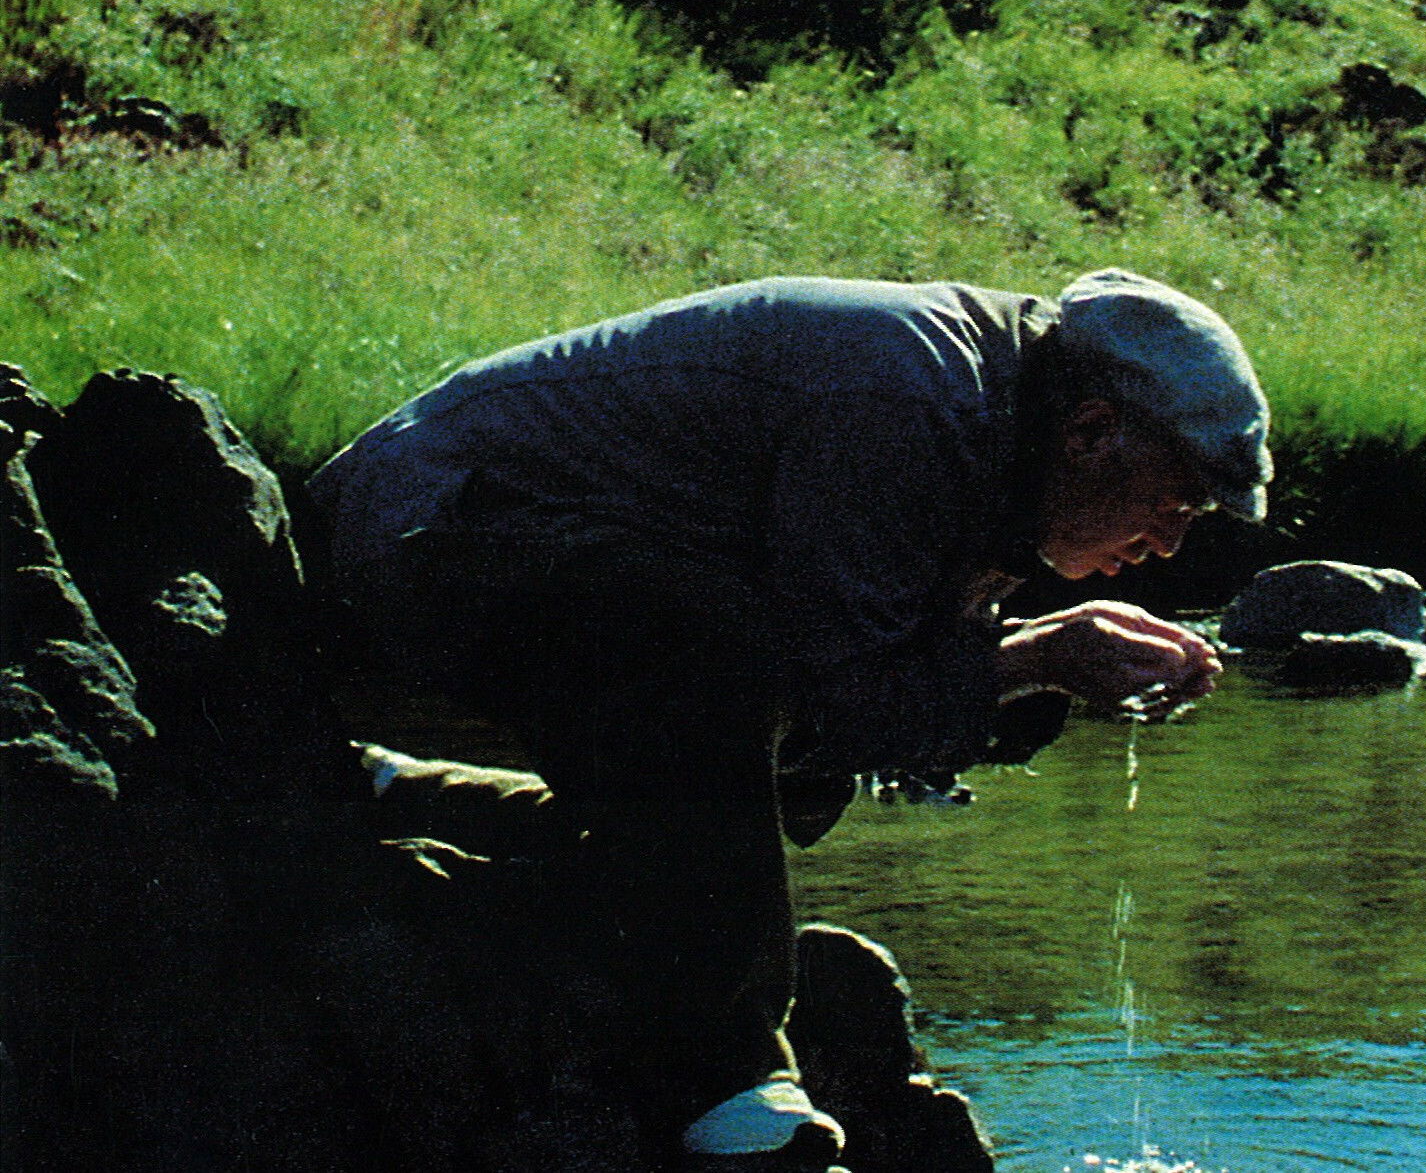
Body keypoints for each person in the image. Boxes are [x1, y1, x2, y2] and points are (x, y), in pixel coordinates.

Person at [307, 269, 1268, 1171]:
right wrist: (1039, 658)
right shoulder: (904, 403)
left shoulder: (1004, 426)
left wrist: (1021, 663)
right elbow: (853, 698)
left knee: (767, 769)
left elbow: (871, 707)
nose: (1170, 542)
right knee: (717, 653)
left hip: (549, 540)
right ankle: (724, 1076)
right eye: (1175, 502)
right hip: (428, 527)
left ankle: (426, 796)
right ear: (1093, 431)